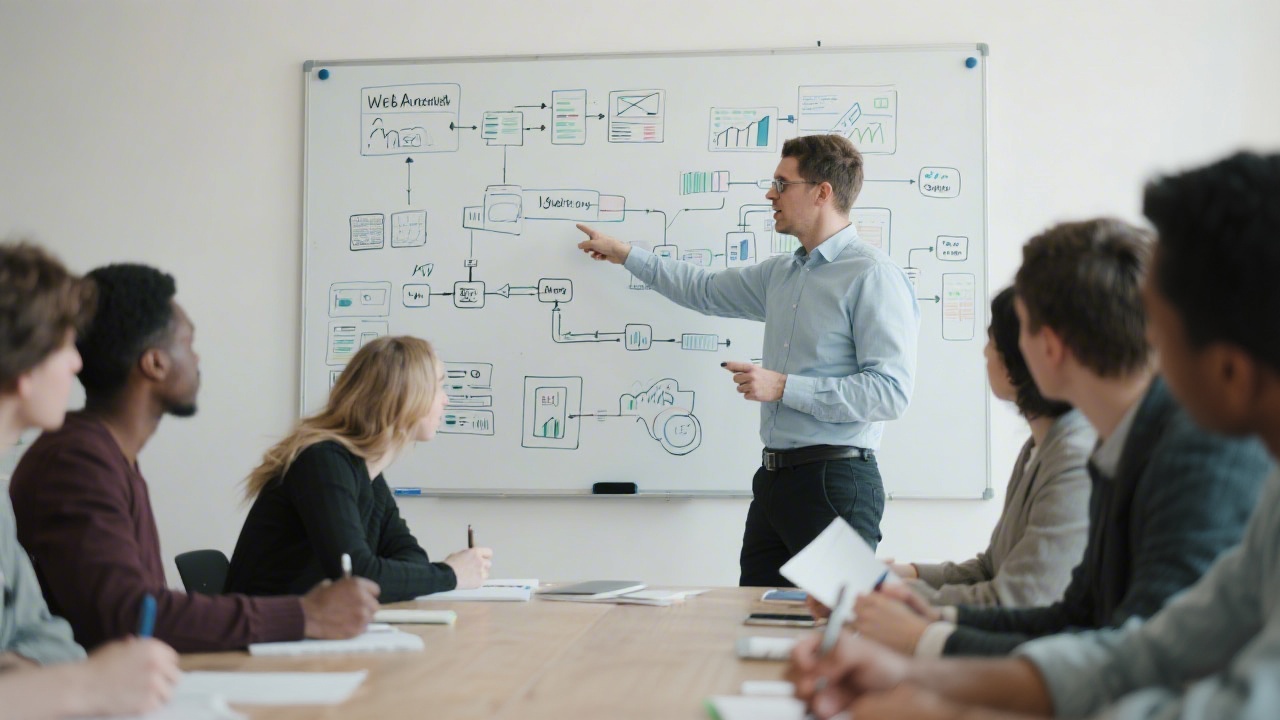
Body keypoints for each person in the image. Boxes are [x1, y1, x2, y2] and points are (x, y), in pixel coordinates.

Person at [785, 151, 1280, 720]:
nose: (1148, 357)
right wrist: (917, 667)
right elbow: (1131, 651)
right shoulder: (1132, 448)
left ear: (1229, 372)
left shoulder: (1201, 456)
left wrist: (941, 698)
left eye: (1160, 335)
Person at [847, 217, 1269, 658]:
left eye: (1014, 330)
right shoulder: (1116, 444)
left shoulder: (1189, 457)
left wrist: (922, 637)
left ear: (1047, 346)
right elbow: (1077, 615)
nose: (993, 351)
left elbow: (1140, 659)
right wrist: (925, 626)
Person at [576, 134, 919, 586]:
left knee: (837, 631)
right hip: (775, 481)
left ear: (822, 192)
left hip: (834, 483)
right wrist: (625, 255)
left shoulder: (872, 275)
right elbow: (703, 289)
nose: (770, 194)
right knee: (757, 618)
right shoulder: (782, 273)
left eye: (782, 183)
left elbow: (890, 394)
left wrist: (783, 387)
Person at [9, 263, 380, 653]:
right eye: (188, 342)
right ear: (155, 363)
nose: (198, 359)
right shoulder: (77, 461)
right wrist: (305, 615)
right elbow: (129, 616)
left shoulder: (107, 454)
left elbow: (141, 609)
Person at [0, 242, 179, 717]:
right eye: (64, 345)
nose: (77, 364)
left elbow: (45, 635)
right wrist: (82, 686)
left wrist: (20, 674)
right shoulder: (73, 457)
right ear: (24, 366)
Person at [224, 335, 493, 602]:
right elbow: (356, 576)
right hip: (265, 632)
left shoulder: (367, 471)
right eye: (439, 387)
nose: (445, 400)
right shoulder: (322, 462)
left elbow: (410, 557)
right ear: (406, 396)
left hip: (305, 629)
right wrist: (451, 574)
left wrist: (427, 574)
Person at [893, 287, 1094, 608]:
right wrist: (906, 573)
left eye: (992, 339)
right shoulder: (1036, 448)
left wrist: (890, 595)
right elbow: (992, 568)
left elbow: (1017, 598)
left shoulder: (1074, 459)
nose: (985, 353)